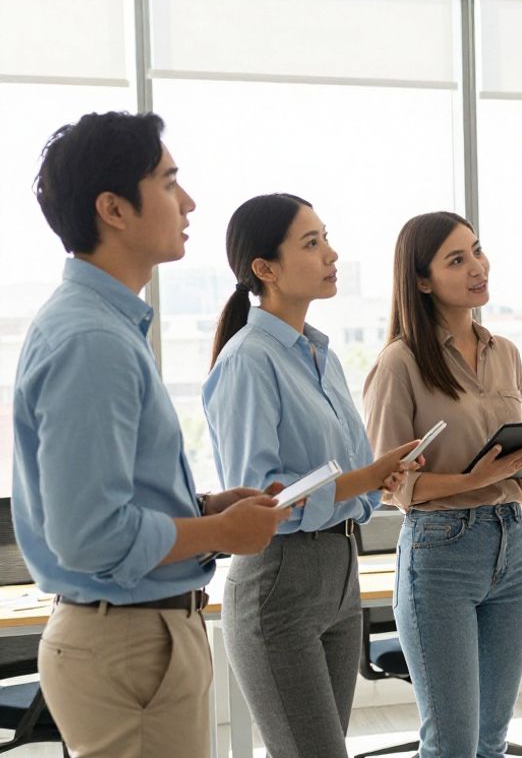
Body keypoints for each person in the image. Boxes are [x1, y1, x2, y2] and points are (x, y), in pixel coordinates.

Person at [11, 111, 289, 757]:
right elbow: (88, 537)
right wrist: (219, 533)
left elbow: (110, 506)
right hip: (128, 644)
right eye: (168, 183)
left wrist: (200, 510)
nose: (188, 202)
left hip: (141, 636)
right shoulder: (91, 340)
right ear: (113, 208)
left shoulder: (103, 327)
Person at [202, 193, 420, 758]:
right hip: (280, 581)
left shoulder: (321, 356)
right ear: (264, 269)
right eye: (312, 243)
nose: (331, 253)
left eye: (325, 238)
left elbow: (348, 477)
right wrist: (367, 477)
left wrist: (377, 480)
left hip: (342, 572)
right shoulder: (249, 359)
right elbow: (261, 501)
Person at [365, 211, 522, 758]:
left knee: (490, 740)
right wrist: (477, 479)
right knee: (451, 745)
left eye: (477, 251)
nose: (478, 266)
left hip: (512, 541)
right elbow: (388, 485)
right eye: (458, 259)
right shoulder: (399, 363)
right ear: (422, 280)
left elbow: (502, 457)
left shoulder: (507, 354)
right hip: (439, 552)